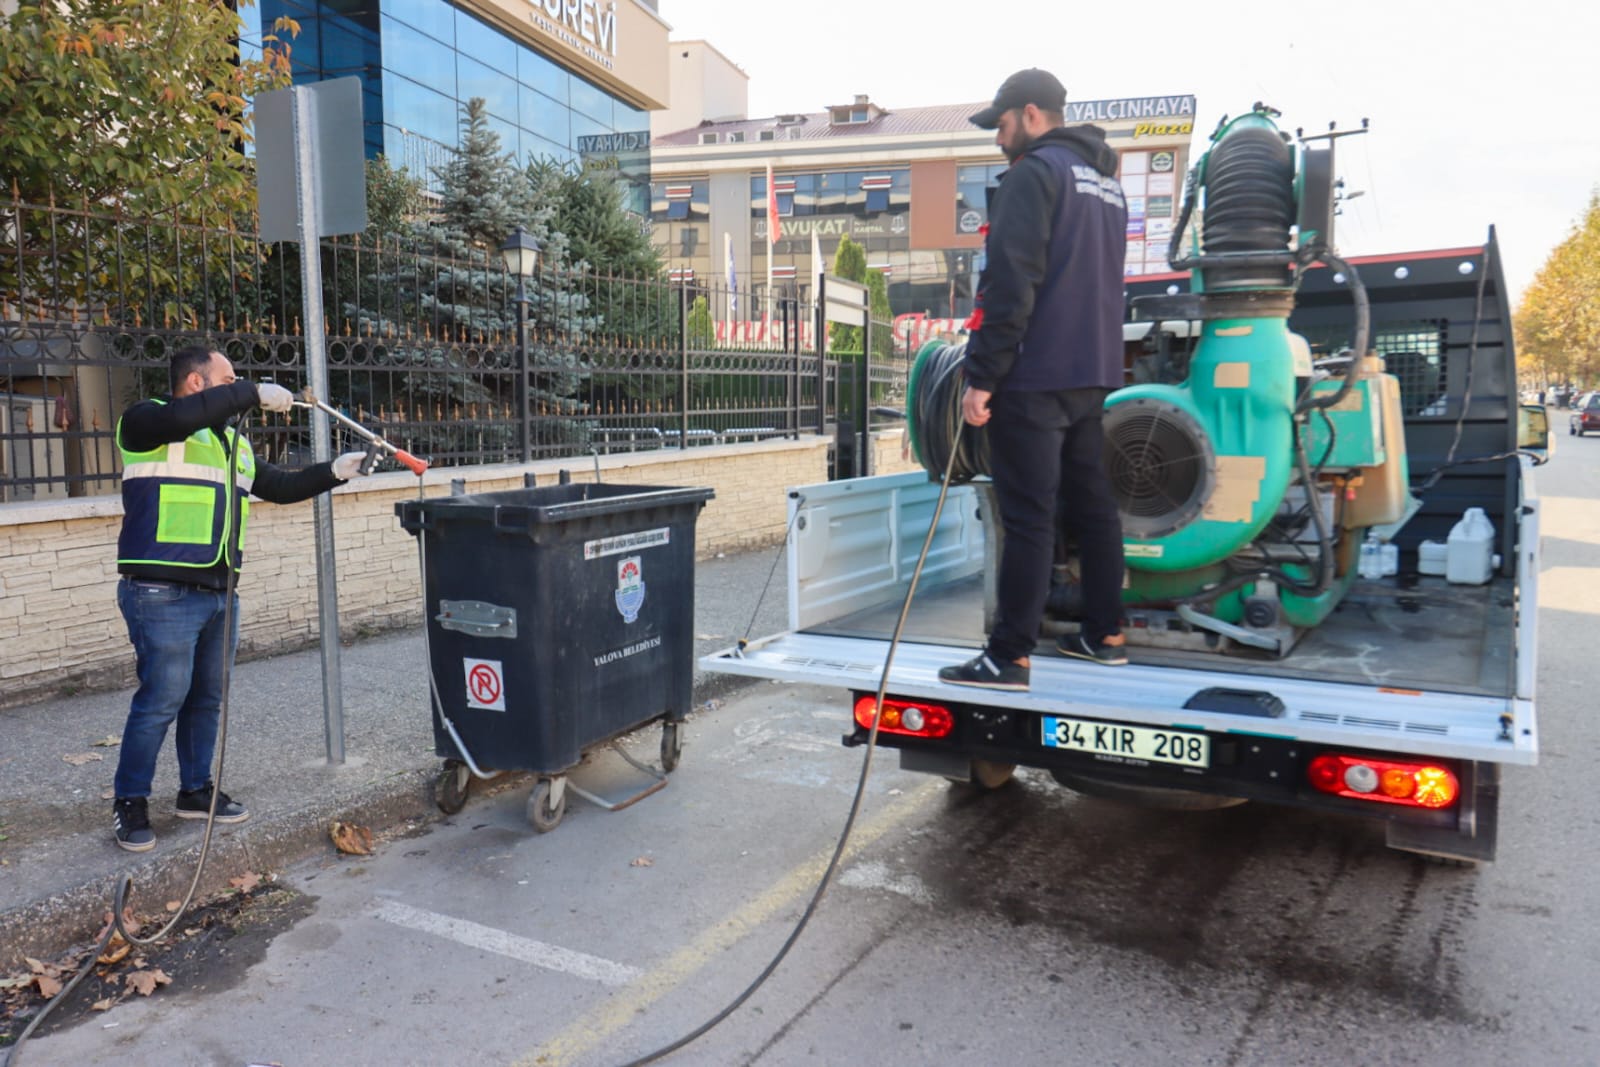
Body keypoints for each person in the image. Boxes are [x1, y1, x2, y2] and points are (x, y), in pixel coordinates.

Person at [111, 345, 372, 851]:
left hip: (219, 593)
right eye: (228, 378)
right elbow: (183, 419)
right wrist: (252, 392)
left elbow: (277, 486)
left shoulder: (232, 445)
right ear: (196, 383)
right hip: (160, 591)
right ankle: (130, 802)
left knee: (206, 700)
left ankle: (194, 790)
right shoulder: (145, 423)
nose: (239, 385)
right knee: (161, 699)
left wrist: (334, 472)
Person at [938, 69, 1129, 692]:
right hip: (1093, 369)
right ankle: (1105, 635)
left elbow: (1010, 283)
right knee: (1094, 508)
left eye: (1001, 125)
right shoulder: (1107, 183)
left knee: (1028, 516)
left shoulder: (1033, 175)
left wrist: (982, 376)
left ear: (1030, 113)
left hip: (1034, 372)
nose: (997, 138)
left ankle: (1009, 656)